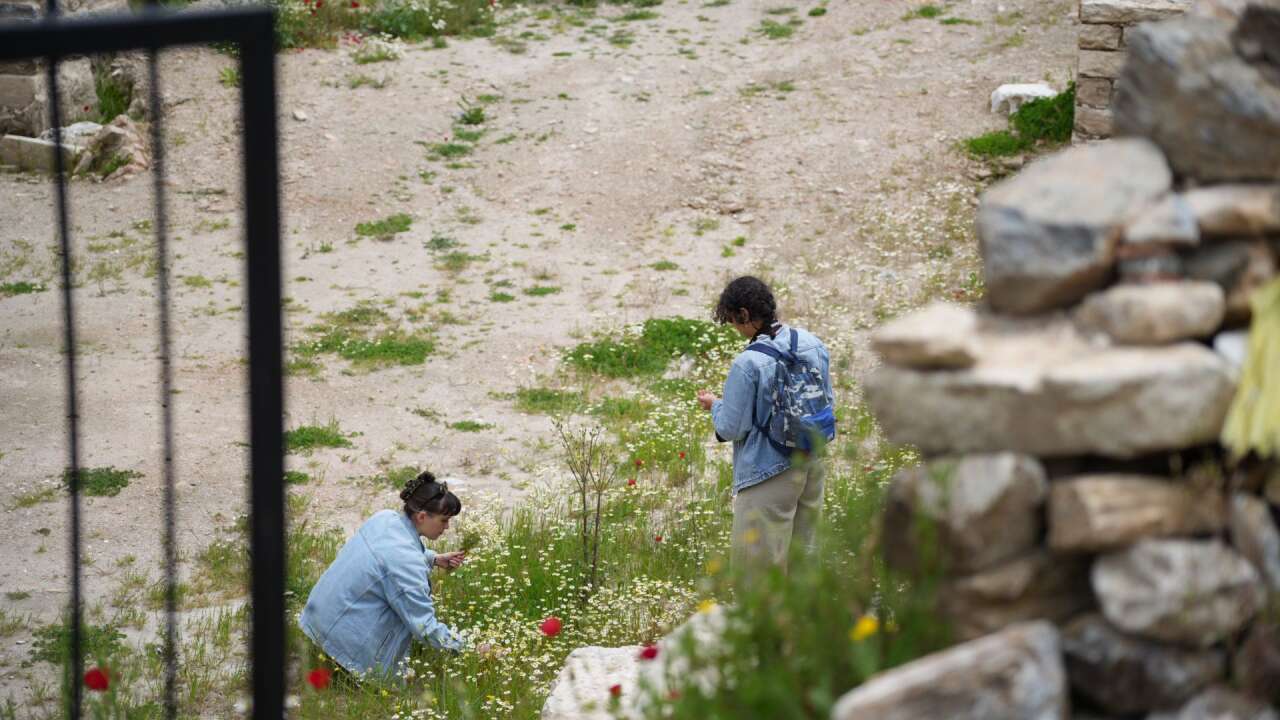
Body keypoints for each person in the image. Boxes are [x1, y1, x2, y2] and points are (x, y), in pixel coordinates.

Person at [696, 276, 834, 575]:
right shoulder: (812, 343)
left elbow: (732, 428)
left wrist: (715, 405)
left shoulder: (748, 363)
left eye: (733, 320)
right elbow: (826, 399)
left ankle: (764, 624)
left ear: (744, 314)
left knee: (756, 571)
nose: (734, 328)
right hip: (812, 462)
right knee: (804, 559)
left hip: (769, 472)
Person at [300, 470, 470, 679]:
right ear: (422, 516)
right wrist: (469, 649)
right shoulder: (407, 562)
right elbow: (424, 627)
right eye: (444, 520)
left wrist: (433, 558)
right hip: (342, 650)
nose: (447, 527)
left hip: (316, 624)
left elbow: (389, 556)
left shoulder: (385, 518)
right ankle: (347, 675)